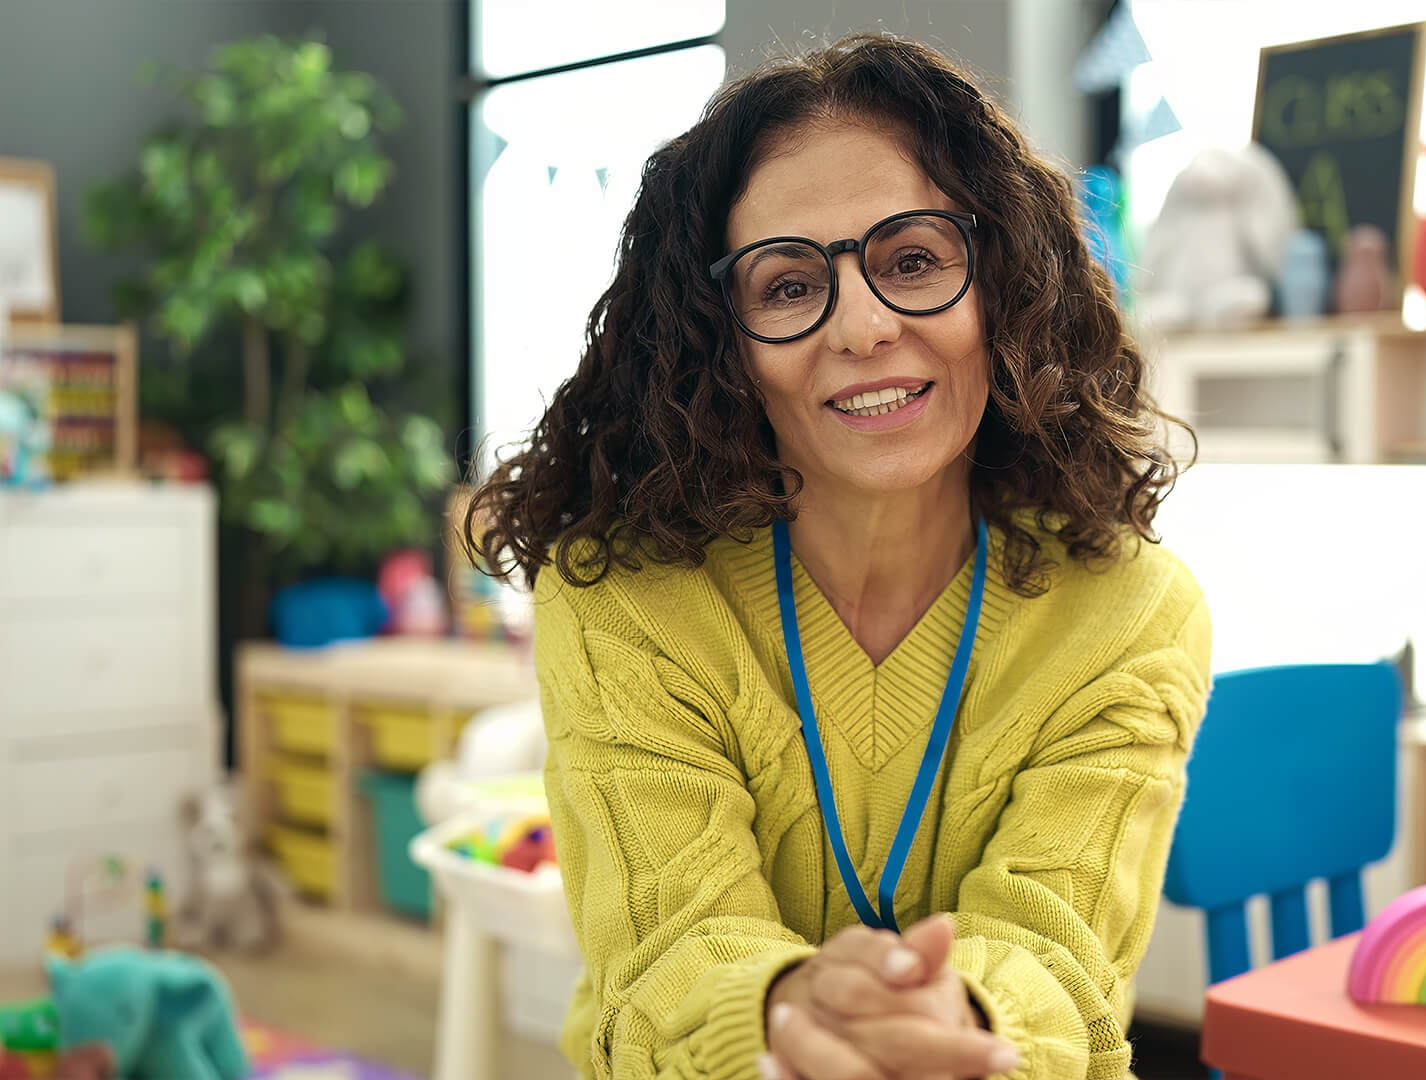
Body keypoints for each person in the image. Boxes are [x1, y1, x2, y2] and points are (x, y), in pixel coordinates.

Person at [467, 31, 1211, 1080]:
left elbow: (1058, 957)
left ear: (1002, 287)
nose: (862, 326)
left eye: (913, 261)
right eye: (785, 285)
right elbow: (668, 952)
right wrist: (785, 1014)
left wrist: (949, 1025)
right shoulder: (626, 597)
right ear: (717, 343)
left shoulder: (1128, 610)